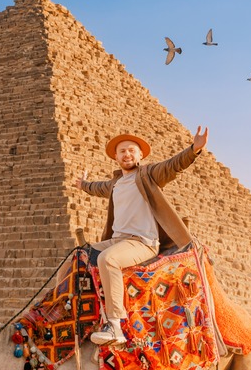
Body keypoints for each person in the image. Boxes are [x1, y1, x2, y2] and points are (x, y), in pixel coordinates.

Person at [75, 126, 208, 345]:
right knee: (80, 254)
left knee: (107, 259)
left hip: (143, 242)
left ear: (140, 155)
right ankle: (86, 315)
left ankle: (115, 325)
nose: (127, 154)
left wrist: (194, 149)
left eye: (131, 150)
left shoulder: (148, 175)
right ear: (116, 157)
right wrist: (83, 185)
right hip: (118, 240)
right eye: (122, 151)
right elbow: (97, 188)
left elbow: (173, 165)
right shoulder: (115, 184)